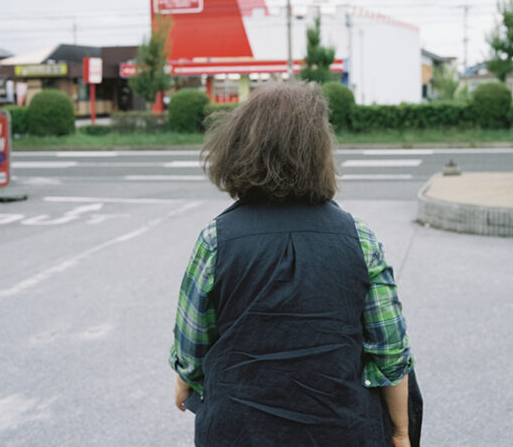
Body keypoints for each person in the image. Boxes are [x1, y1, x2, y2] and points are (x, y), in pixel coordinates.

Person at [170, 81, 415, 446]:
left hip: (239, 431)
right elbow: (390, 352)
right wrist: (400, 430)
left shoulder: (215, 240)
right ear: (319, 152)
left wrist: (184, 380)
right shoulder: (359, 238)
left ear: (238, 148)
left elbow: (192, 347)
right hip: (340, 429)